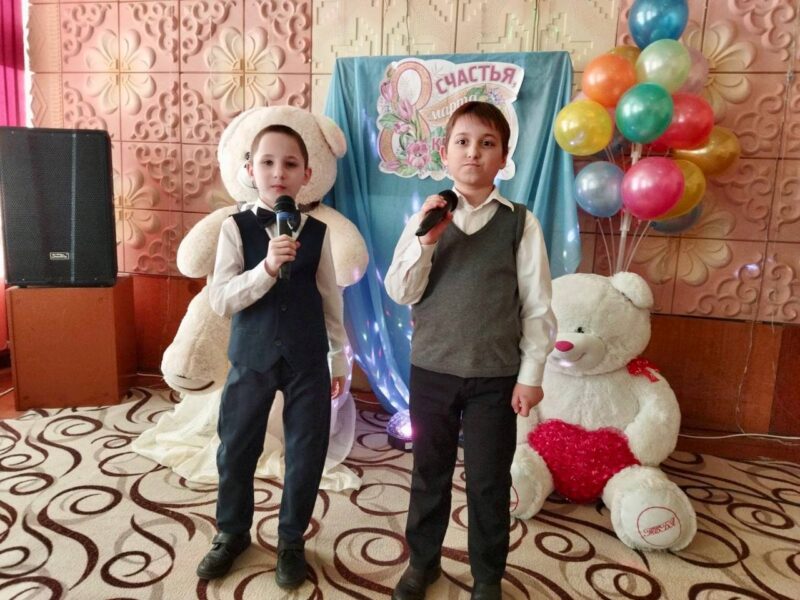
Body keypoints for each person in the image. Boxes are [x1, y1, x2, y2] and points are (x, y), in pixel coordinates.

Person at [384, 101, 556, 600]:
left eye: (487, 143)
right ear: (444, 152)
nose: (473, 153)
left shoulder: (520, 223)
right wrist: (426, 242)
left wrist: (531, 374)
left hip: (494, 376)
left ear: (504, 158)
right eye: (462, 141)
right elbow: (399, 290)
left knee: (488, 480)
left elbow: (537, 305)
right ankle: (422, 563)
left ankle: (487, 576)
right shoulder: (427, 217)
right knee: (429, 473)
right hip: (432, 371)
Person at [196, 123, 347, 590]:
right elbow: (221, 299)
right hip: (252, 355)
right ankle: (231, 532)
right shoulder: (234, 227)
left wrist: (339, 359)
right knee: (237, 447)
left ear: (306, 175)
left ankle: (291, 540)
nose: (278, 172)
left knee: (306, 452)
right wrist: (266, 267)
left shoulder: (319, 232)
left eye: (290, 164)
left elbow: (330, 300)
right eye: (267, 162)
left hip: (307, 357)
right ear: (249, 170)